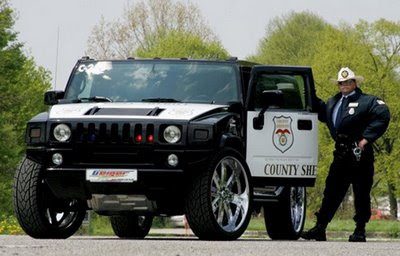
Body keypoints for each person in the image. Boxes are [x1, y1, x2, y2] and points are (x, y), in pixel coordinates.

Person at [301, 67, 390, 242]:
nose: (344, 85)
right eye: (341, 83)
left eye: (348, 82)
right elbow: (324, 113)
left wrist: (366, 139)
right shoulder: (334, 102)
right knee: (331, 191)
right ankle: (320, 227)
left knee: (361, 192)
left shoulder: (367, 101)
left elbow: (383, 115)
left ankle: (360, 229)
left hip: (359, 154)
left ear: (354, 83)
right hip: (340, 153)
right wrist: (309, 93)